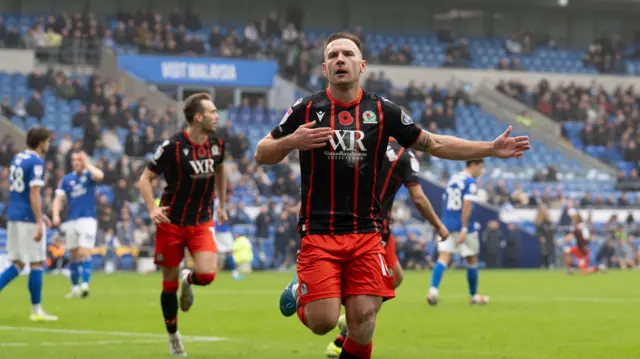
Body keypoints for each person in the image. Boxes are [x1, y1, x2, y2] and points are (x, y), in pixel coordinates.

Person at [254, 32, 530, 359]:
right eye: (333, 56)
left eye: (347, 54)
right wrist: (290, 142)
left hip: (367, 234)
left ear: (362, 65)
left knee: (364, 320)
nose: (340, 59)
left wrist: (490, 149)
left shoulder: (383, 111)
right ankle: (304, 291)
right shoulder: (306, 108)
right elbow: (261, 153)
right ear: (325, 68)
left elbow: (434, 143)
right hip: (320, 233)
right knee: (323, 323)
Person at [325, 137, 450, 357]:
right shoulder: (405, 155)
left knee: (396, 277)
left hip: (365, 224)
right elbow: (418, 198)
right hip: (373, 229)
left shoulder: (363, 143)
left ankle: (347, 323)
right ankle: (343, 335)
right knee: (367, 288)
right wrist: (438, 225)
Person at [138, 93, 227, 356]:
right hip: (172, 222)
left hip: (201, 220)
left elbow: (220, 170)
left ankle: (189, 278)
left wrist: (222, 204)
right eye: (212, 111)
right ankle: (173, 335)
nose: (217, 116)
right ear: (198, 117)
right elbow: (145, 179)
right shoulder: (171, 147)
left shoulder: (217, 144)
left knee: (208, 275)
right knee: (168, 284)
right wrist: (152, 208)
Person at [0, 126, 58, 321]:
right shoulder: (36, 162)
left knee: (17, 263)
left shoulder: (18, 158)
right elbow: (34, 193)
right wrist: (38, 221)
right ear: (41, 142)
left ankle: (37, 310)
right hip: (27, 217)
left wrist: (41, 216)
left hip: (14, 215)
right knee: (36, 262)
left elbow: (16, 188)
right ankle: (37, 311)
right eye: (48, 141)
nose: (49, 144)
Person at [427, 159, 489, 306]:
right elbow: (467, 204)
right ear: (474, 164)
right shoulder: (470, 182)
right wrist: (464, 227)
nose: (481, 171)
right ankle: (473, 296)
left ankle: (433, 290)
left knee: (443, 258)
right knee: (472, 259)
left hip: (447, 224)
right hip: (463, 225)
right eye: (481, 167)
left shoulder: (453, 179)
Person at [52, 151, 104, 298]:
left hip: (87, 219)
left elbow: (100, 176)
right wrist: (55, 214)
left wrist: (87, 163)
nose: (76, 162)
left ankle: (85, 285)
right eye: (74, 160)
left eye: (78, 160)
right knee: (73, 255)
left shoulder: (89, 175)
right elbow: (58, 198)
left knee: (84, 252)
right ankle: (75, 288)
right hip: (71, 220)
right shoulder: (67, 179)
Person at [563, 208, 600, 275]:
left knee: (583, 272)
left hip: (584, 251)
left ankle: (599, 268)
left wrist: (563, 240)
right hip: (579, 249)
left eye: (573, 217)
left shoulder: (581, 226)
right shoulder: (576, 226)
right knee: (566, 251)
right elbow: (572, 235)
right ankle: (571, 269)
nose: (572, 218)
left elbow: (586, 237)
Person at [214, 198, 243, 280]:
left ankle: (214, 272)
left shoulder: (214, 204)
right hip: (223, 232)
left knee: (217, 252)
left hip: (216, 230)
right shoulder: (222, 206)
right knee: (229, 252)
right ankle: (234, 273)